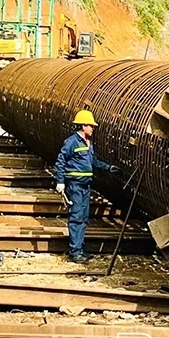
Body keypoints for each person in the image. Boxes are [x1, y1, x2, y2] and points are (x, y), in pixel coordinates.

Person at [54, 107, 120, 264]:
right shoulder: (71, 142)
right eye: (91, 126)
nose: (93, 128)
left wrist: (107, 167)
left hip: (85, 186)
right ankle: (75, 252)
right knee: (76, 217)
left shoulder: (88, 143)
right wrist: (60, 182)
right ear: (83, 126)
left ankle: (80, 249)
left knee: (83, 218)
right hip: (75, 185)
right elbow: (60, 161)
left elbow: (93, 161)